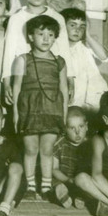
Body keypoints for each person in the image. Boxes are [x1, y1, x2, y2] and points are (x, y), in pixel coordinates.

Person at [10, 15, 68, 201]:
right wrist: (16, 114)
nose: (46, 39)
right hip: (29, 110)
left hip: (52, 110)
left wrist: (64, 114)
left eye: (50, 35)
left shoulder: (59, 62)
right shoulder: (22, 60)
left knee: (47, 149)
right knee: (31, 148)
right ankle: (30, 186)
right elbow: (17, 88)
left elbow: (64, 90)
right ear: (30, 36)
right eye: (41, 34)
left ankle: (46, 186)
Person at [1, 0, 74, 107]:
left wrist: (70, 80)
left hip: (51, 77)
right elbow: (9, 54)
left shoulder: (57, 18)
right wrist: (6, 83)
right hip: (24, 78)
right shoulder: (15, 19)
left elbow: (65, 51)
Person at [60, 8, 108, 111]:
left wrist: (88, 37)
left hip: (89, 99)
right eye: (73, 25)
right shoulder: (58, 48)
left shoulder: (85, 47)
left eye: (82, 26)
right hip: (69, 98)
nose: (77, 30)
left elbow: (104, 57)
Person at [50, 105, 92, 207]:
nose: (77, 132)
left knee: (90, 184)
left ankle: (80, 196)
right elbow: (54, 169)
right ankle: (62, 194)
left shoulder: (91, 144)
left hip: (81, 181)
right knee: (50, 182)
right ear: (65, 129)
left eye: (81, 126)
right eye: (72, 128)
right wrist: (67, 180)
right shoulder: (59, 144)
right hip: (62, 178)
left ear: (86, 126)